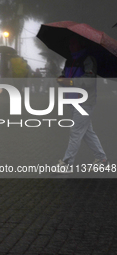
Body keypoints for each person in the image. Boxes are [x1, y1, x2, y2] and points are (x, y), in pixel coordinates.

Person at [56, 36, 108, 171]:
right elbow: (65, 75)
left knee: (76, 132)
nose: (70, 45)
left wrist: (71, 82)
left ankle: (67, 163)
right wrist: (61, 78)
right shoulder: (69, 60)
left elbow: (89, 80)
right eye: (70, 43)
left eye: (73, 43)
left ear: (81, 44)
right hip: (71, 100)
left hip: (85, 102)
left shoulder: (88, 60)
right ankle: (102, 158)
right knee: (87, 132)